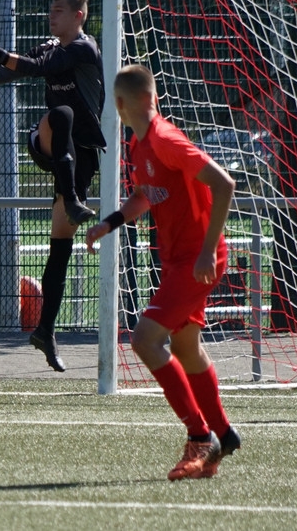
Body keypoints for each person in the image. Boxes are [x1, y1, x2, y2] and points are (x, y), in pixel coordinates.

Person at [86, 64, 241, 481]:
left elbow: (225, 185)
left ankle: (199, 435)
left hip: (196, 259)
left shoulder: (167, 140)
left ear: (118, 104)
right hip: (179, 259)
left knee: (145, 339)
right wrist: (112, 222)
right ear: (151, 97)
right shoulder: (140, 145)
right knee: (187, 348)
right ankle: (224, 435)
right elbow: (145, 196)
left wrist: (208, 252)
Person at [0, 0, 105, 373]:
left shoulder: (84, 49)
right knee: (62, 114)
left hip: (81, 156)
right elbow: (6, 74)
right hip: (48, 140)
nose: (52, 16)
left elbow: (28, 67)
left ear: (79, 16)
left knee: (61, 246)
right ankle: (70, 197)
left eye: (59, 10)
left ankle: (45, 330)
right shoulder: (49, 46)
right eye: (51, 10)